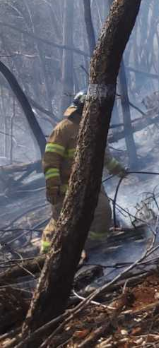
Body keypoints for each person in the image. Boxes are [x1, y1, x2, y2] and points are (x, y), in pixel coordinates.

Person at [40, 93, 127, 254]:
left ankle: (90, 251)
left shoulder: (95, 128)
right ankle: (46, 255)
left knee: (103, 213)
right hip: (65, 188)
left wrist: (117, 169)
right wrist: (53, 187)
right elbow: (50, 161)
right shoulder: (63, 129)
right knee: (61, 223)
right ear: (83, 108)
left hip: (91, 184)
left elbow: (104, 155)